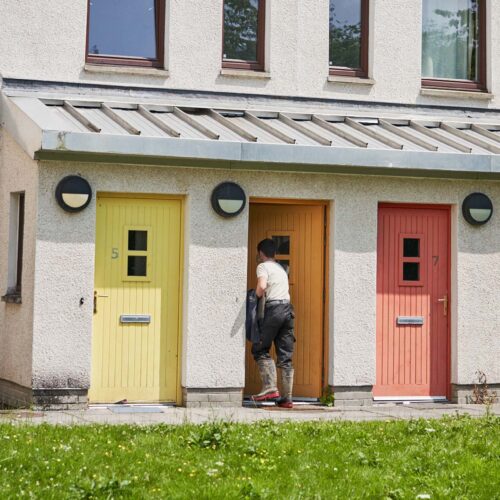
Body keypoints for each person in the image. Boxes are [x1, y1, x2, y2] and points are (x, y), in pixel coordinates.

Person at [251, 238, 295, 409]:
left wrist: (254, 298)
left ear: (261, 253)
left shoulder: (263, 266)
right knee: (285, 356)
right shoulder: (281, 268)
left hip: (274, 310)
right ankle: (287, 399)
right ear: (274, 253)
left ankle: (270, 387)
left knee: (260, 348)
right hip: (288, 311)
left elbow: (261, 287)